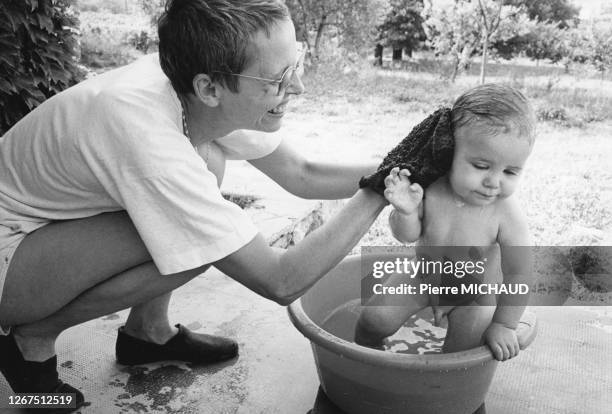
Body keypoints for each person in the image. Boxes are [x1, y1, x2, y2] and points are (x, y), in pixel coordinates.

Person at [0, 0, 388, 409]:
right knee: (198, 241)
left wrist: (401, 164)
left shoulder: (190, 84)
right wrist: (380, 193)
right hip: (9, 250)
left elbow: (302, 173)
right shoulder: (145, 132)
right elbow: (280, 280)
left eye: (296, 63)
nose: (297, 87)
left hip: (41, 231)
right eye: (277, 78)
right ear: (209, 88)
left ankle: (147, 332)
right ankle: (30, 339)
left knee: (206, 166)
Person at [355, 84, 535, 362]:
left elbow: (519, 273)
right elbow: (407, 236)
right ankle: (364, 360)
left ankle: (442, 389)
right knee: (373, 319)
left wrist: (504, 324)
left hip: (473, 298)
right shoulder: (431, 188)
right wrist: (406, 213)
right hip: (421, 277)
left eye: (510, 171)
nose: (493, 182)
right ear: (450, 151)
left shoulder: (506, 213)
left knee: (458, 356)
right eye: (481, 166)